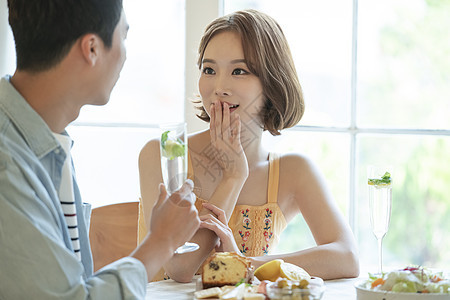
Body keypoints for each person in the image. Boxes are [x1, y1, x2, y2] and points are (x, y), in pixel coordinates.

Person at [138, 9, 359, 283]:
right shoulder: (165, 154)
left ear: (271, 83)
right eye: (209, 70)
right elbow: (181, 268)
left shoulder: (294, 171)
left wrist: (245, 265)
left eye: (238, 71)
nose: (219, 86)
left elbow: (347, 258)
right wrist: (233, 176)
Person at [0, 0, 200, 298]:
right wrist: (161, 242)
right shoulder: (9, 168)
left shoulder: (45, 144)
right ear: (91, 49)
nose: (125, 55)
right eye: (124, 37)